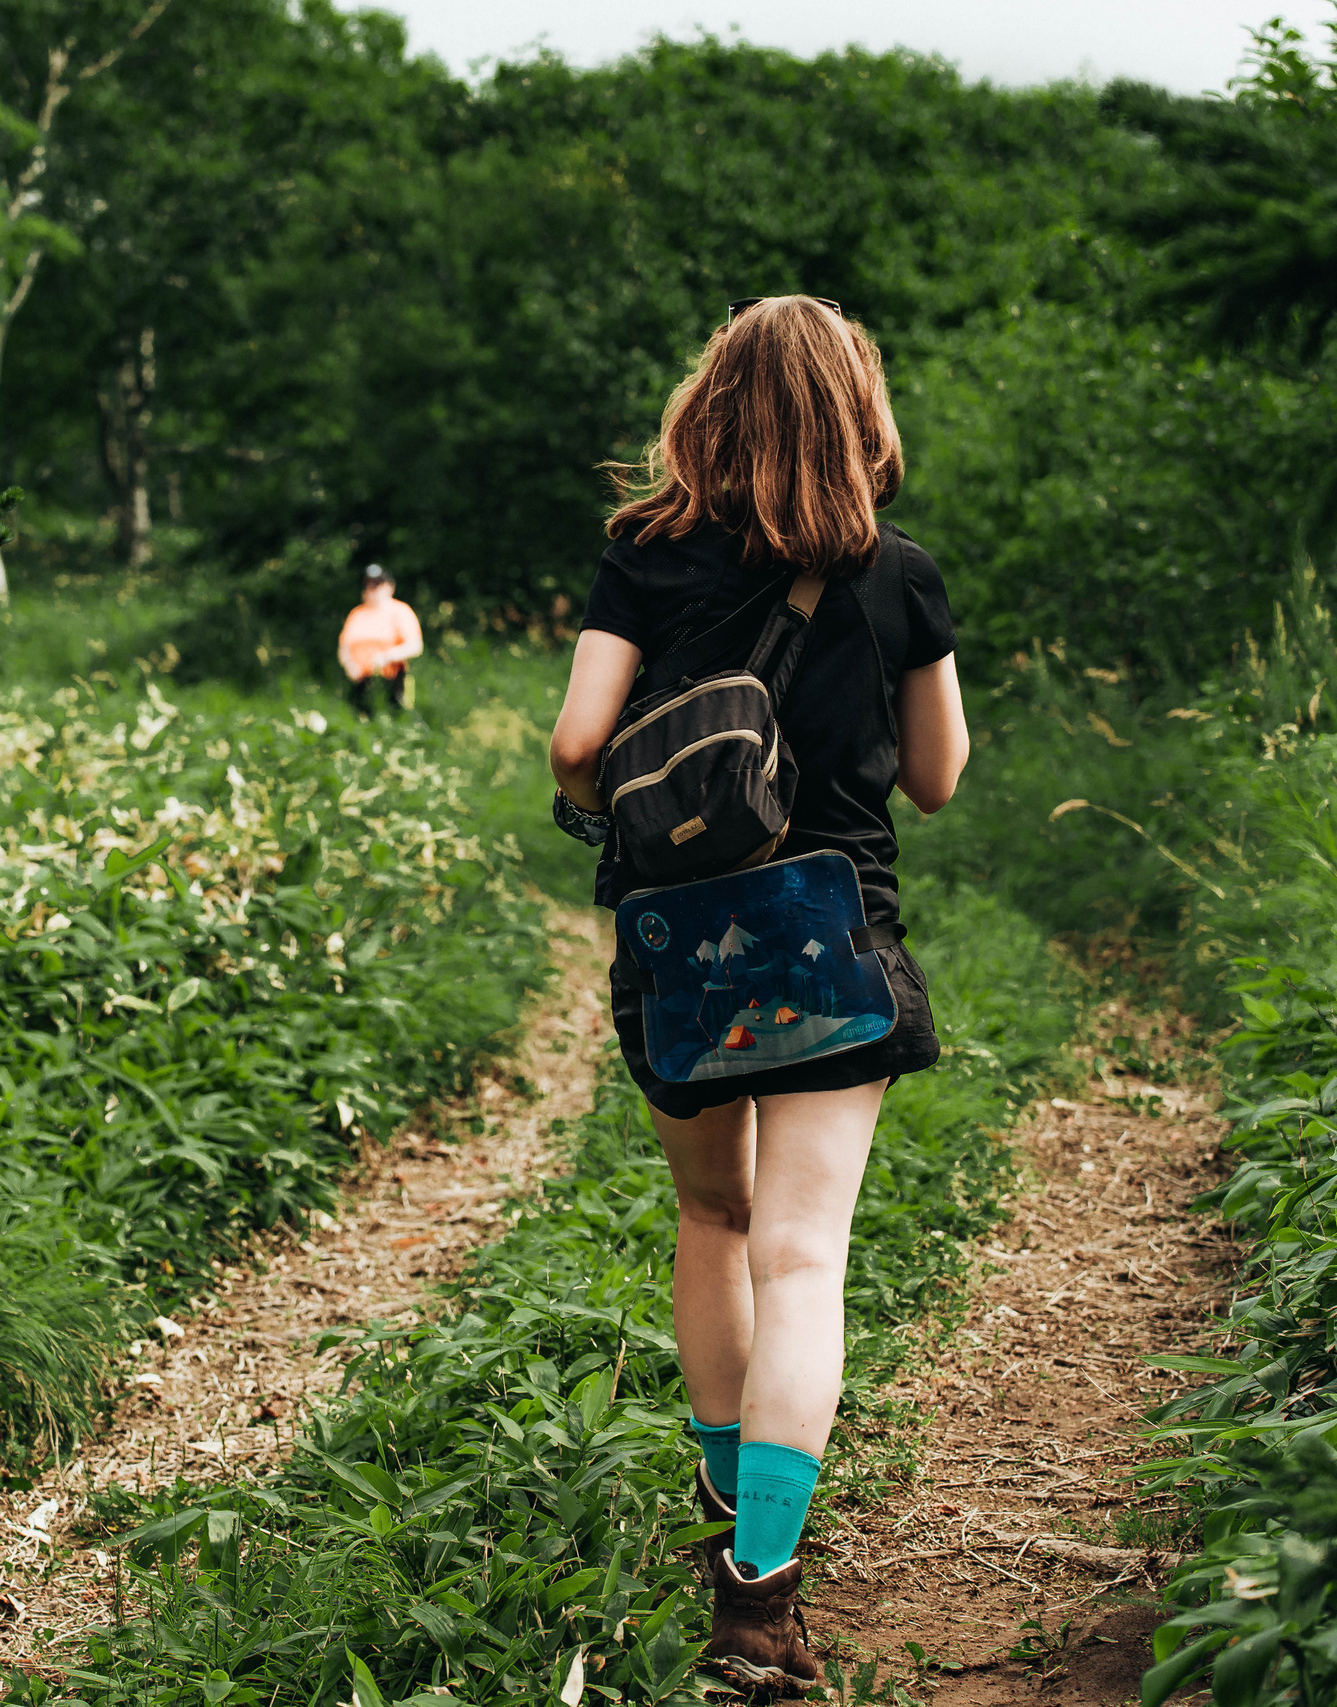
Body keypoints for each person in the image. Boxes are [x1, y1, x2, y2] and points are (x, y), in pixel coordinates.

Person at [544, 295, 970, 1695]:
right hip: (832, 934)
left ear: (710, 403)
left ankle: (728, 1505)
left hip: (683, 946)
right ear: (860, 410)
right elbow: (939, 774)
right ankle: (760, 1599)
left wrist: (627, 794)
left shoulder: (643, 555)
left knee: (710, 1215)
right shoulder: (896, 570)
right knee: (803, 1255)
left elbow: (578, 742)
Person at [337, 564, 423, 716]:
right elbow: (344, 647)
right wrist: (350, 665)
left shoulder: (400, 611)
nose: (372, 589)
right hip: (360, 681)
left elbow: (415, 646)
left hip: (391, 680)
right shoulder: (356, 614)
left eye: (377, 585)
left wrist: (387, 657)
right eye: (368, 585)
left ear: (389, 586)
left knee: (394, 719)